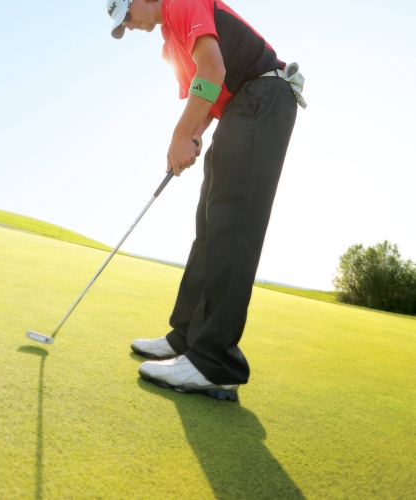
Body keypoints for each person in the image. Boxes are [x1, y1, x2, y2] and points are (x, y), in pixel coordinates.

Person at [107, 0, 306, 401]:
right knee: (210, 224)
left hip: (266, 94)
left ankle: (215, 362)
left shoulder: (181, 3)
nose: (129, 27)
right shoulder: (170, 45)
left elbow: (213, 71)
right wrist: (191, 134)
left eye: (126, 17)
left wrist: (180, 136)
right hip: (239, 107)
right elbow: (205, 96)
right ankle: (186, 338)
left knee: (233, 225)